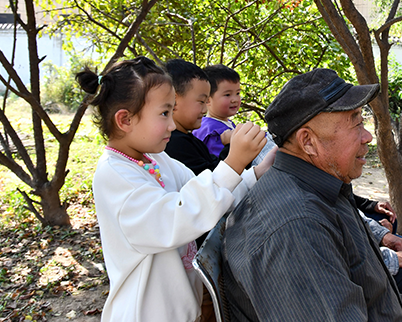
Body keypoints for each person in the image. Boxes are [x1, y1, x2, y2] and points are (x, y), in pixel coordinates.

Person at [223, 68, 402, 322]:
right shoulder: (297, 227)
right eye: (355, 122)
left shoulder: (327, 188)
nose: (367, 137)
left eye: (362, 121)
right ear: (308, 142)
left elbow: (383, 302)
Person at [76, 56, 269, 322]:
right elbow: (177, 218)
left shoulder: (156, 160)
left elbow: (207, 195)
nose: (171, 124)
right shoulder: (115, 174)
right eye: (164, 113)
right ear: (125, 120)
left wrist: (255, 174)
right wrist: (233, 163)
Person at [163, 59, 275, 175]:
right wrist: (230, 145)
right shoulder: (174, 143)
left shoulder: (191, 140)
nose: (205, 110)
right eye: (201, 101)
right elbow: (213, 180)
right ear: (174, 100)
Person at [192, 64, 275, 166]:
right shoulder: (210, 131)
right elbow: (223, 163)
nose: (235, 99)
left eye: (238, 93)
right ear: (208, 99)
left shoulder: (226, 123)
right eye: (227, 94)